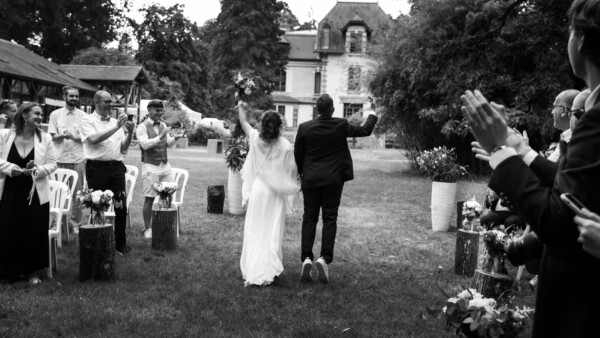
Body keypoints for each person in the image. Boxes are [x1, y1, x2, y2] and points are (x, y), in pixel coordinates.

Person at [460, 0, 600, 335]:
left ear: (579, 39)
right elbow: (571, 190)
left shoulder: (596, 121)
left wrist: (499, 153)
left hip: (579, 307)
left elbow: (557, 220)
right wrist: (519, 150)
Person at [294, 94, 378, 283]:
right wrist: (372, 111)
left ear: (317, 110)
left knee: (309, 217)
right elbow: (365, 130)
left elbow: (298, 155)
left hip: (311, 179)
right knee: (330, 218)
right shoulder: (340, 125)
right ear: (332, 109)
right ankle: (324, 259)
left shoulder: (304, 128)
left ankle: (307, 257)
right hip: (333, 180)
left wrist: (302, 173)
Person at [237, 100, 300, 287]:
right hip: (275, 193)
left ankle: (253, 268)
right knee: (271, 231)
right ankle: (268, 269)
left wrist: (241, 105)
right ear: (280, 126)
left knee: (255, 229)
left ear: (262, 125)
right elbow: (291, 173)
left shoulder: (255, 138)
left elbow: (243, 122)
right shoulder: (286, 146)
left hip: (258, 190)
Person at [0, 102, 57, 284]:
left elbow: (52, 164)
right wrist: (9, 168)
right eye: (37, 114)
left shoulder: (45, 138)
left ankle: (32, 271)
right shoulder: (4, 135)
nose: (41, 117)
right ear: (24, 115)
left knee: (33, 229)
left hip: (35, 190)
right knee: (9, 227)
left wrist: (37, 169)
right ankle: (9, 271)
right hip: (10, 189)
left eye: (42, 115)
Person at [80, 90, 135, 255]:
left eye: (111, 102)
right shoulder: (87, 120)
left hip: (117, 167)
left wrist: (130, 132)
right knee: (97, 204)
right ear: (96, 102)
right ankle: (97, 243)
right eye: (106, 101)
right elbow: (93, 139)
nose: (111, 105)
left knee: (120, 206)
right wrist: (116, 126)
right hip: (97, 168)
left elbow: (123, 148)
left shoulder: (115, 122)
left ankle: (120, 245)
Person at [135, 99, 181, 239]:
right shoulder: (141, 127)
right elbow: (144, 145)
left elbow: (167, 144)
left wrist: (175, 139)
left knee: (168, 195)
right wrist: (160, 136)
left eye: (161, 110)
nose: (160, 113)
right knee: (149, 199)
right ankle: (148, 228)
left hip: (165, 166)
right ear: (149, 111)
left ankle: (164, 224)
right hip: (150, 166)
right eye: (157, 110)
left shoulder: (163, 125)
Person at [48, 86, 86, 234]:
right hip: (59, 158)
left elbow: (86, 138)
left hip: (78, 158)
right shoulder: (55, 114)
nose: (74, 99)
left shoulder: (83, 116)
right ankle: (57, 221)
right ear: (64, 97)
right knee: (57, 192)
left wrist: (72, 137)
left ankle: (76, 223)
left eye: (76, 96)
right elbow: (51, 135)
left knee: (78, 193)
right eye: (71, 96)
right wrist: (62, 136)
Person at [546, 89, 579, 162]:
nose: (552, 112)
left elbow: (552, 170)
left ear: (564, 110)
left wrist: (524, 149)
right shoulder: (566, 138)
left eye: (554, 107)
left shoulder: (573, 141)